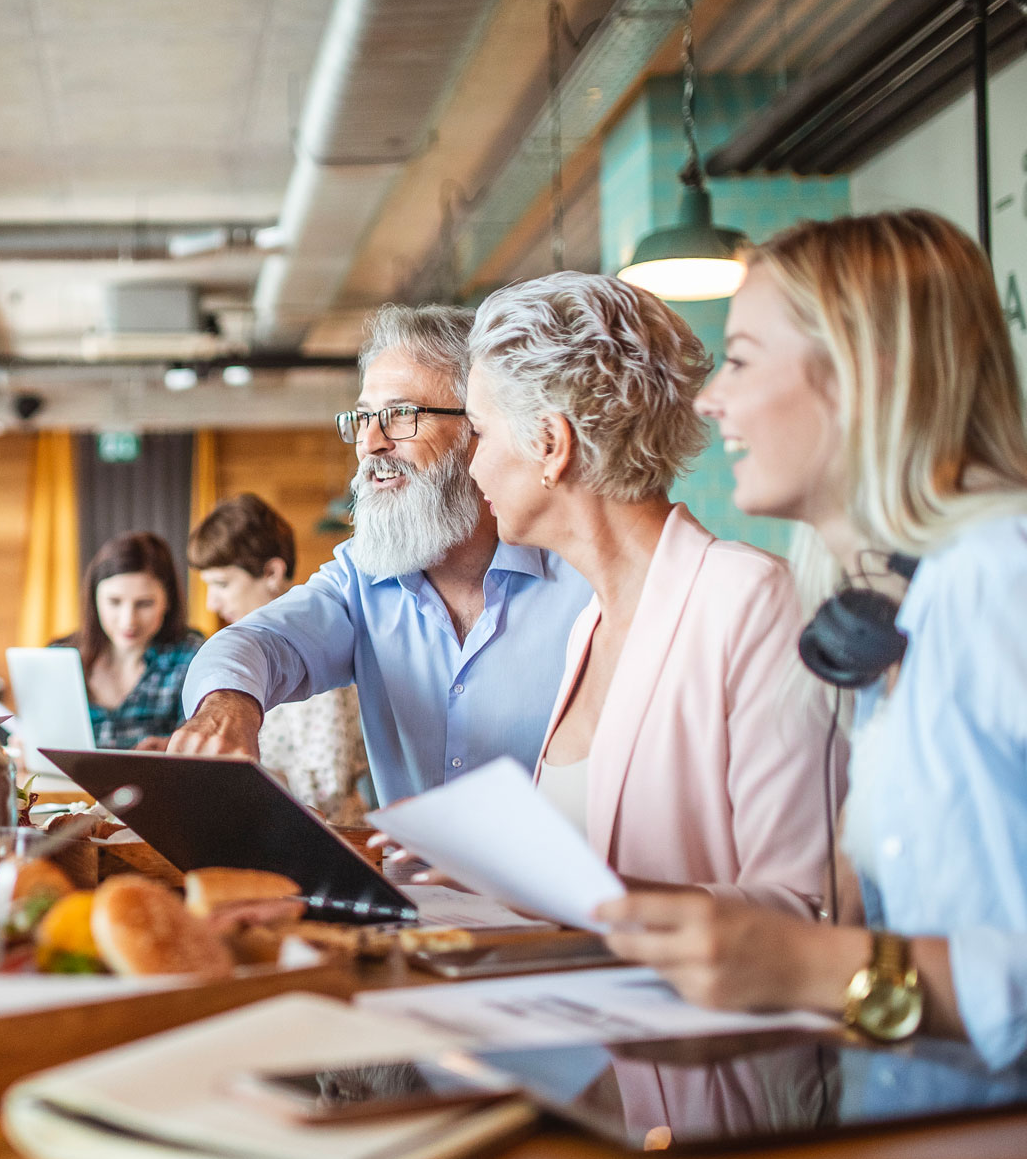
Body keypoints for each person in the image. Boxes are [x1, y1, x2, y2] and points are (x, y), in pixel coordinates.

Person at [598, 210, 1027, 1067]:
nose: (711, 398)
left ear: (869, 374)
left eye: (744, 359)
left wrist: (808, 965)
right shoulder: (886, 606)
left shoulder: (998, 578)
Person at [463, 271, 832, 913]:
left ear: (551, 444)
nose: (471, 465)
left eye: (479, 432)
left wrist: (570, 891)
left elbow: (806, 906)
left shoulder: (751, 600)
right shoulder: (588, 624)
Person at [171, 304, 593, 804]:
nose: (370, 443)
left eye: (400, 415)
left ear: (478, 428)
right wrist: (227, 703)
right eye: (364, 418)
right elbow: (263, 640)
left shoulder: (584, 581)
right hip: (405, 885)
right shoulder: (361, 576)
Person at [188, 493, 369, 823]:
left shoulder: (315, 650)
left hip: (329, 841)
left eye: (223, 584)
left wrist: (236, 777)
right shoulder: (251, 657)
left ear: (271, 572)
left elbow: (324, 792)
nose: (212, 603)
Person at [52, 531, 204, 750]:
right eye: (114, 602)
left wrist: (173, 748)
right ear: (94, 598)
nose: (128, 621)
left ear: (168, 601)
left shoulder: (191, 659)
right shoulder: (59, 658)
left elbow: (202, 747)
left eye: (144, 604)